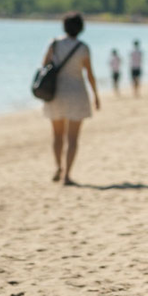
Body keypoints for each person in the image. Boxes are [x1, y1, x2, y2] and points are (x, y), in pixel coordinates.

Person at [41, 12, 101, 185]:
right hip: (76, 93)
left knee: (57, 135)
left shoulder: (53, 43)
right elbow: (89, 73)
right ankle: (67, 175)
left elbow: (44, 66)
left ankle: (58, 167)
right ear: (81, 28)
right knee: (73, 138)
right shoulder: (83, 48)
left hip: (55, 94)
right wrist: (96, 95)